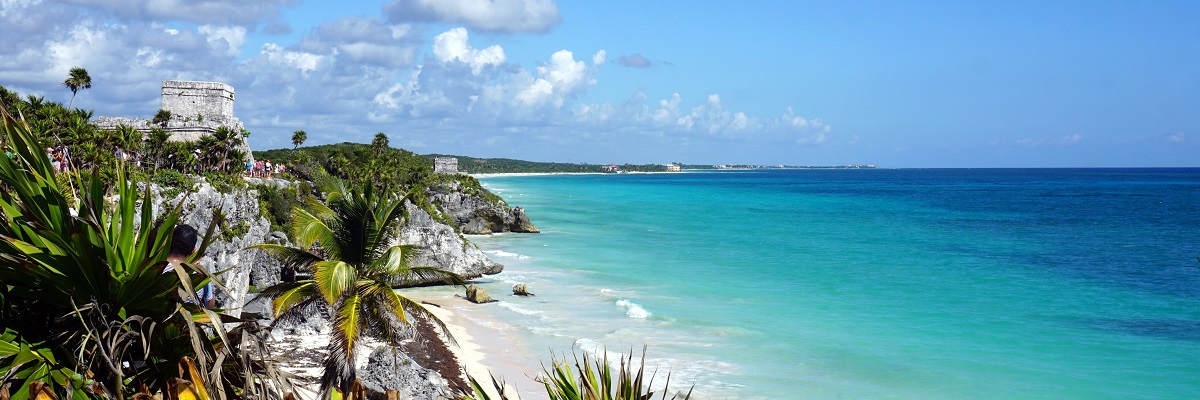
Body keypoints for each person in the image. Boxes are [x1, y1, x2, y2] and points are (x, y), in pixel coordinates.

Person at [164, 224, 215, 308]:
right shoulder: (200, 275)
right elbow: (210, 305)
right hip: (186, 319)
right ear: (193, 251)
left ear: (168, 243)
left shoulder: (154, 267)